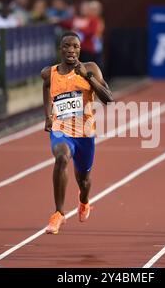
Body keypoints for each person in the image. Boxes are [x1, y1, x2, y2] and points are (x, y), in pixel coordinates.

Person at [42, 31, 113, 234]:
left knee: (84, 180)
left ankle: (84, 201)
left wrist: (88, 77)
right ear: (60, 49)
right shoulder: (50, 72)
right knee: (62, 157)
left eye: (75, 46)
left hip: (85, 134)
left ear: (80, 49)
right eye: (67, 46)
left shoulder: (90, 68)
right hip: (60, 130)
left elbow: (108, 99)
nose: (71, 50)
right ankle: (58, 214)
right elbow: (46, 87)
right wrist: (48, 115)